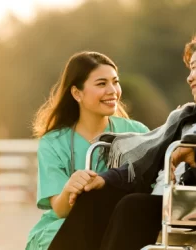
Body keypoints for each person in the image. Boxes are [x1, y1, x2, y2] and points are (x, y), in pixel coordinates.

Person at [48, 31, 196, 250]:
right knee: (95, 197)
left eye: (194, 67)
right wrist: (104, 180)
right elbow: (149, 163)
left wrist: (192, 144)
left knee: (133, 207)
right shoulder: (189, 116)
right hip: (174, 198)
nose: (189, 77)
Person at [25, 51, 149, 250]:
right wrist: (70, 188)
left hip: (119, 224)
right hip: (66, 224)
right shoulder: (53, 143)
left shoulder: (138, 133)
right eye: (101, 84)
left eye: (115, 82)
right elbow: (60, 209)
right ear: (77, 93)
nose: (113, 90)